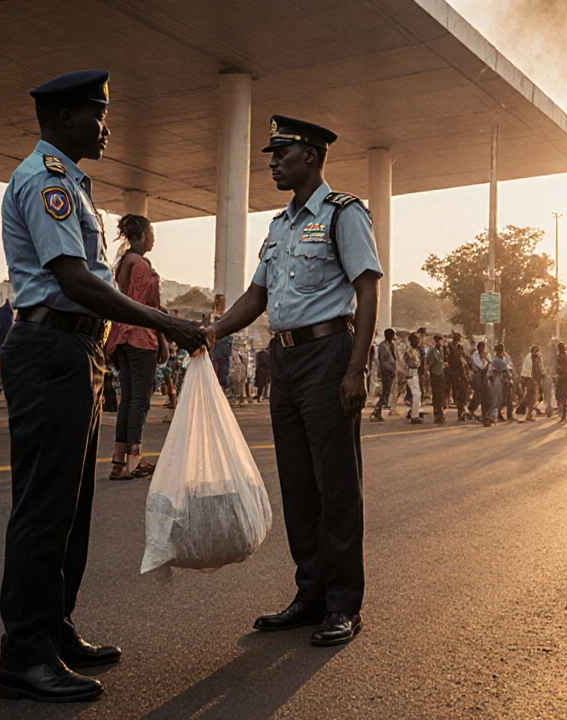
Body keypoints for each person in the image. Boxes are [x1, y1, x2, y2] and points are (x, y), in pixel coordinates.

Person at [0, 70, 207, 703]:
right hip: (51, 346)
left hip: (76, 348)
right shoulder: (47, 182)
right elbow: (74, 278)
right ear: (64, 118)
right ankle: (23, 655)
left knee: (72, 506)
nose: (106, 125)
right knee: (43, 508)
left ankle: (55, 629)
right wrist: (166, 322)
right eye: (98, 113)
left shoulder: (73, 185)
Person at [205, 115, 380, 647]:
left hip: (328, 354)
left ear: (311, 155)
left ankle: (343, 603)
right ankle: (309, 595)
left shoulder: (343, 214)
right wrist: (212, 330)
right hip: (283, 362)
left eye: (282, 152)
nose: (273, 161)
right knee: (298, 484)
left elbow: (367, 290)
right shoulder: (279, 226)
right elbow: (256, 297)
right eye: (271, 153)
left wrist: (355, 368)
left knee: (336, 483)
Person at [104, 214, 167, 480]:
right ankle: (133, 461)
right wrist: (162, 339)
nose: (153, 238)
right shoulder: (141, 265)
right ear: (142, 235)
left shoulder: (123, 263)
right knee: (140, 400)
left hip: (120, 336)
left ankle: (120, 461)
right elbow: (147, 309)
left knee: (128, 399)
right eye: (151, 232)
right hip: (140, 337)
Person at [370, 328, 397, 421]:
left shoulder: (391, 345)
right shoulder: (383, 346)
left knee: (387, 394)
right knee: (384, 394)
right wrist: (388, 369)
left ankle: (378, 412)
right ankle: (376, 412)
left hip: (392, 370)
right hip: (386, 371)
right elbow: (383, 361)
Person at [445, 333, 469, 421]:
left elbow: (464, 360)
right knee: (456, 393)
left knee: (462, 394)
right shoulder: (450, 349)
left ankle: (461, 412)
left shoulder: (460, 348)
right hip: (453, 373)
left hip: (460, 374)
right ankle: (460, 412)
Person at [404, 331, 424, 424]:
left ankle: (415, 412)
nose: (418, 342)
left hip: (415, 374)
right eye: (416, 340)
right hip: (410, 374)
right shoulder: (409, 351)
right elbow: (414, 363)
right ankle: (414, 416)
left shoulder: (415, 350)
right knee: (416, 394)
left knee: (417, 394)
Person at [428, 334, 446, 424]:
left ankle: (441, 413)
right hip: (434, 374)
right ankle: (437, 414)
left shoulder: (441, 350)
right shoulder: (432, 351)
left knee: (441, 394)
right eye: (439, 341)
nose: (440, 343)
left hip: (440, 374)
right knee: (436, 394)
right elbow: (429, 363)